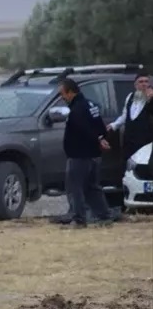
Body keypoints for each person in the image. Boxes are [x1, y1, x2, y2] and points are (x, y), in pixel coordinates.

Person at [58, 78, 114, 228]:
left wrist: (97, 140)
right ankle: (104, 217)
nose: (62, 97)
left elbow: (83, 129)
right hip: (94, 155)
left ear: (70, 92)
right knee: (92, 188)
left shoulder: (77, 109)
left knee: (75, 188)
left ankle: (79, 219)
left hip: (79, 155)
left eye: (62, 94)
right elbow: (100, 127)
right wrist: (101, 139)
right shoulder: (91, 105)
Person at [108, 72, 153, 162]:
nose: (144, 84)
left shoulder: (151, 98)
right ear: (135, 85)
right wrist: (114, 125)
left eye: (146, 81)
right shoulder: (130, 97)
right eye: (141, 82)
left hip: (144, 141)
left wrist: (150, 100)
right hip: (129, 140)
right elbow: (125, 115)